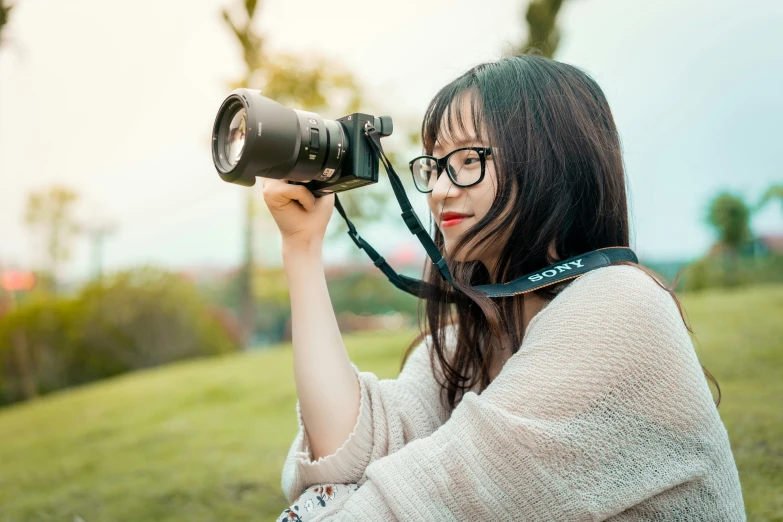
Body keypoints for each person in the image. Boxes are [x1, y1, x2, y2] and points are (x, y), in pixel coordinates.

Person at [264, 55, 745, 521]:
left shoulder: (617, 308)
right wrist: (301, 249)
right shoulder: (460, 343)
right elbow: (346, 453)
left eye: (468, 158)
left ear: (551, 163)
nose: (439, 191)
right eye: (433, 164)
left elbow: (420, 506)